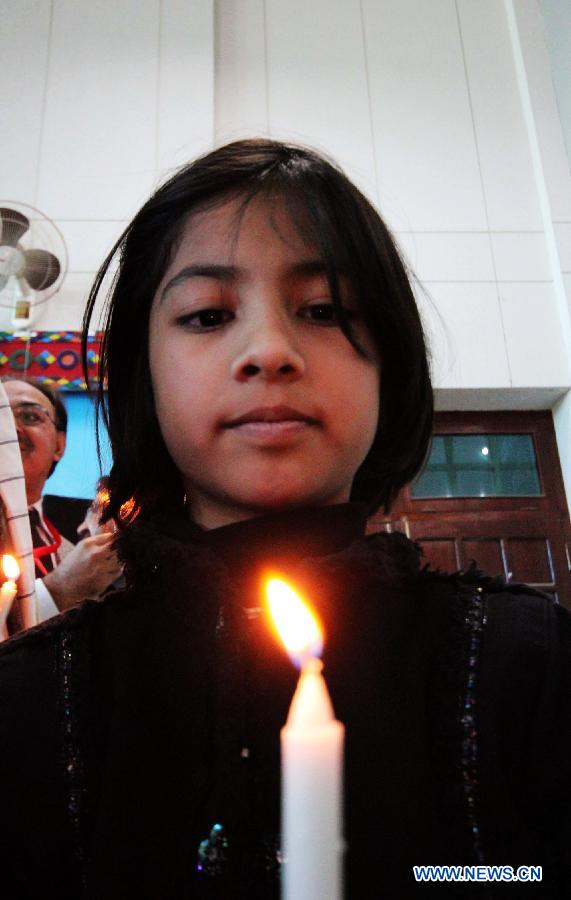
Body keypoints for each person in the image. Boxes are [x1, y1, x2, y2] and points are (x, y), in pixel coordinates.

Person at [0, 139, 569, 899]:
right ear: (144, 373)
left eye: (324, 310)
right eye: (206, 315)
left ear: (389, 363)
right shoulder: (32, 700)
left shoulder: (523, 667)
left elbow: (530, 870)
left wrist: (423, 874)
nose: (269, 351)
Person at [1, 378, 123, 623]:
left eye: (29, 416)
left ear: (59, 445)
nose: (11, 429)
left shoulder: (77, 527)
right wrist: (58, 591)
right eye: (1, 416)